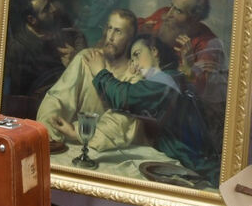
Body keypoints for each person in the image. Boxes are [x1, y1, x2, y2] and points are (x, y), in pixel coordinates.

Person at [91, 35, 220, 185]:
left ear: (154, 51)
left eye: (137, 55)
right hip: (188, 159)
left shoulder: (165, 82)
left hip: (195, 165)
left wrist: (100, 72)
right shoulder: (172, 78)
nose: (135, 63)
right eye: (132, 60)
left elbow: (125, 97)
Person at [36, 8, 140, 149]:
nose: (111, 37)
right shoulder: (85, 58)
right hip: (73, 145)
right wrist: (49, 125)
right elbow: (57, 98)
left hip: (110, 149)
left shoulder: (133, 73)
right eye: (110, 28)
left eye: (118, 31)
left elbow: (119, 123)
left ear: (130, 38)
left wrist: (76, 132)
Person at [3, 0, 86, 113]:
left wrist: (77, 57)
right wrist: (73, 67)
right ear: (32, 20)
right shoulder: (20, 50)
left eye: (50, 2)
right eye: (46, 9)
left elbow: (78, 36)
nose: (53, 9)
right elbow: (24, 99)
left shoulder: (56, 24)